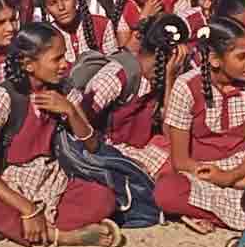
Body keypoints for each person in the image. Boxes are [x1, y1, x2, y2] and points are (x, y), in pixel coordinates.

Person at [0, 22, 124, 247]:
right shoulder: (6, 96)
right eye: (57, 59)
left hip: (54, 181)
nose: (65, 64)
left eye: (64, 56)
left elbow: (92, 145)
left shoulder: (64, 90)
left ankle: (3, 229)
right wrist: (28, 209)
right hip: (11, 186)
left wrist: (71, 112)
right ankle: (62, 236)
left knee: (103, 198)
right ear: (29, 65)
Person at [154, 18, 245, 233]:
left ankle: (228, 211)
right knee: (168, 191)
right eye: (242, 56)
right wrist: (228, 180)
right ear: (215, 60)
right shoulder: (186, 87)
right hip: (207, 171)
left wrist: (233, 175)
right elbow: (181, 161)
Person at [80, 13, 189, 179]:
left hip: (142, 146)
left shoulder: (163, 76)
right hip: (110, 150)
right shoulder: (118, 75)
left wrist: (170, 79)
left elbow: (170, 131)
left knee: (182, 153)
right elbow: (81, 117)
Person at [40, 0, 116, 59]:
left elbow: (114, 62)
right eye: (53, 3)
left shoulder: (102, 25)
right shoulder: (45, 37)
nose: (61, 7)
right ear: (46, 9)